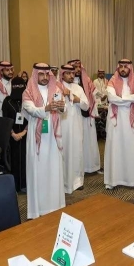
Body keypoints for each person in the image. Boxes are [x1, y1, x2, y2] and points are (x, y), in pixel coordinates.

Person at [22, 63, 66, 219]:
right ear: (36, 75)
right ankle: (37, 209)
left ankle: (55, 205)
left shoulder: (56, 90)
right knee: (38, 170)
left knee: (53, 168)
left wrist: (61, 107)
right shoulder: (28, 92)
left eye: (47, 74)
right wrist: (47, 108)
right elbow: (31, 110)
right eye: (41, 74)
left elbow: (62, 109)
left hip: (53, 136)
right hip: (36, 136)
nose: (45, 77)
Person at [104, 59, 134, 189]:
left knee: (130, 148)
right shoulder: (112, 81)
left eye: (126, 67)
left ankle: (130, 180)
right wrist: (129, 100)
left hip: (130, 121)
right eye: (121, 66)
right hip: (116, 120)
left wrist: (121, 100)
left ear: (130, 68)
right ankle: (113, 180)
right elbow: (111, 98)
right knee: (115, 148)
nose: (123, 69)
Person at [59, 64, 89, 193]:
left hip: (76, 126)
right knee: (64, 153)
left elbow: (86, 106)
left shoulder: (78, 88)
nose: (72, 75)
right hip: (62, 126)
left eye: (73, 73)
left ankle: (77, 181)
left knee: (77, 152)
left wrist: (73, 97)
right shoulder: (56, 87)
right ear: (62, 74)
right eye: (68, 73)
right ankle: (63, 182)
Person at [70, 60, 102, 174]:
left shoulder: (87, 80)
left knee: (89, 140)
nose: (77, 70)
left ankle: (91, 167)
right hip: (74, 116)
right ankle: (78, 168)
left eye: (79, 67)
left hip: (87, 114)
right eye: (75, 67)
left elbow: (95, 95)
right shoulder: (65, 83)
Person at [1, 75, 28, 193]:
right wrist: (13, 134)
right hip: (12, 138)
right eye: (16, 86)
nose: (18, 89)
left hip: (26, 136)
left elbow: (32, 118)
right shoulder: (7, 101)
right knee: (13, 160)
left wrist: (23, 132)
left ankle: (25, 184)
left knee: (26, 160)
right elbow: (5, 118)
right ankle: (15, 186)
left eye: (20, 86)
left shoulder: (28, 101)